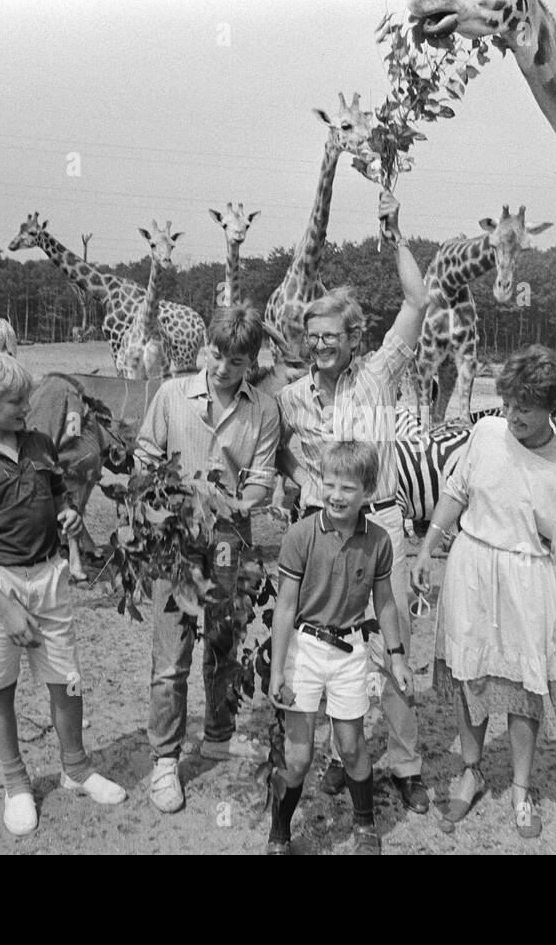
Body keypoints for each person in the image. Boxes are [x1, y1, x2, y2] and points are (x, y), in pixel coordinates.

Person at [276, 189, 432, 813]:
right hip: (319, 534)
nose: (321, 345)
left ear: (352, 335)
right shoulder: (290, 398)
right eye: (312, 336)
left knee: (392, 650)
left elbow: (418, 300)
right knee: (328, 648)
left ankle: (406, 762)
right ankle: (347, 758)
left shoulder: (379, 375)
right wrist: (296, 477)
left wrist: (394, 234)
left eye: (331, 335)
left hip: (383, 521)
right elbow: (276, 450)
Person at [410, 345, 556, 838]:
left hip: (528, 577)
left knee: (523, 688)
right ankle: (470, 772)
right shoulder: (487, 432)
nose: (513, 416)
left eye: (526, 409)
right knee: (469, 674)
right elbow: (456, 491)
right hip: (470, 565)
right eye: (509, 404)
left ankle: (520, 787)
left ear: (553, 408)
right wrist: (428, 547)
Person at [0, 351, 125, 837]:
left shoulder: (40, 443)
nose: (27, 406)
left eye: (27, 396)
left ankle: (76, 767)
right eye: (15, 400)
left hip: (49, 577)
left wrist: (69, 514)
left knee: (67, 678)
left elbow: (59, 492)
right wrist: (4, 609)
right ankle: (16, 783)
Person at [134, 304, 282, 813]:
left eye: (236, 362)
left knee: (222, 645)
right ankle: (165, 759)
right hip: (175, 543)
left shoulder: (262, 409)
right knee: (171, 654)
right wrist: (167, 502)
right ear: (207, 350)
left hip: (228, 543)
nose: (223, 369)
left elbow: (262, 480)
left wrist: (233, 502)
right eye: (218, 356)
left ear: (251, 362)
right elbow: (146, 457)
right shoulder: (172, 394)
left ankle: (218, 734)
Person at [267, 441, 413, 854]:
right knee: (298, 756)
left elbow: (384, 602)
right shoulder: (301, 535)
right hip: (306, 650)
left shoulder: (379, 541)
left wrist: (396, 656)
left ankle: (365, 825)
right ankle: (280, 832)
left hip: (350, 652)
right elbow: (285, 607)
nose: (335, 495)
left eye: (347, 487)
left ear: (367, 490)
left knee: (351, 747)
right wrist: (278, 670)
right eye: (328, 484)